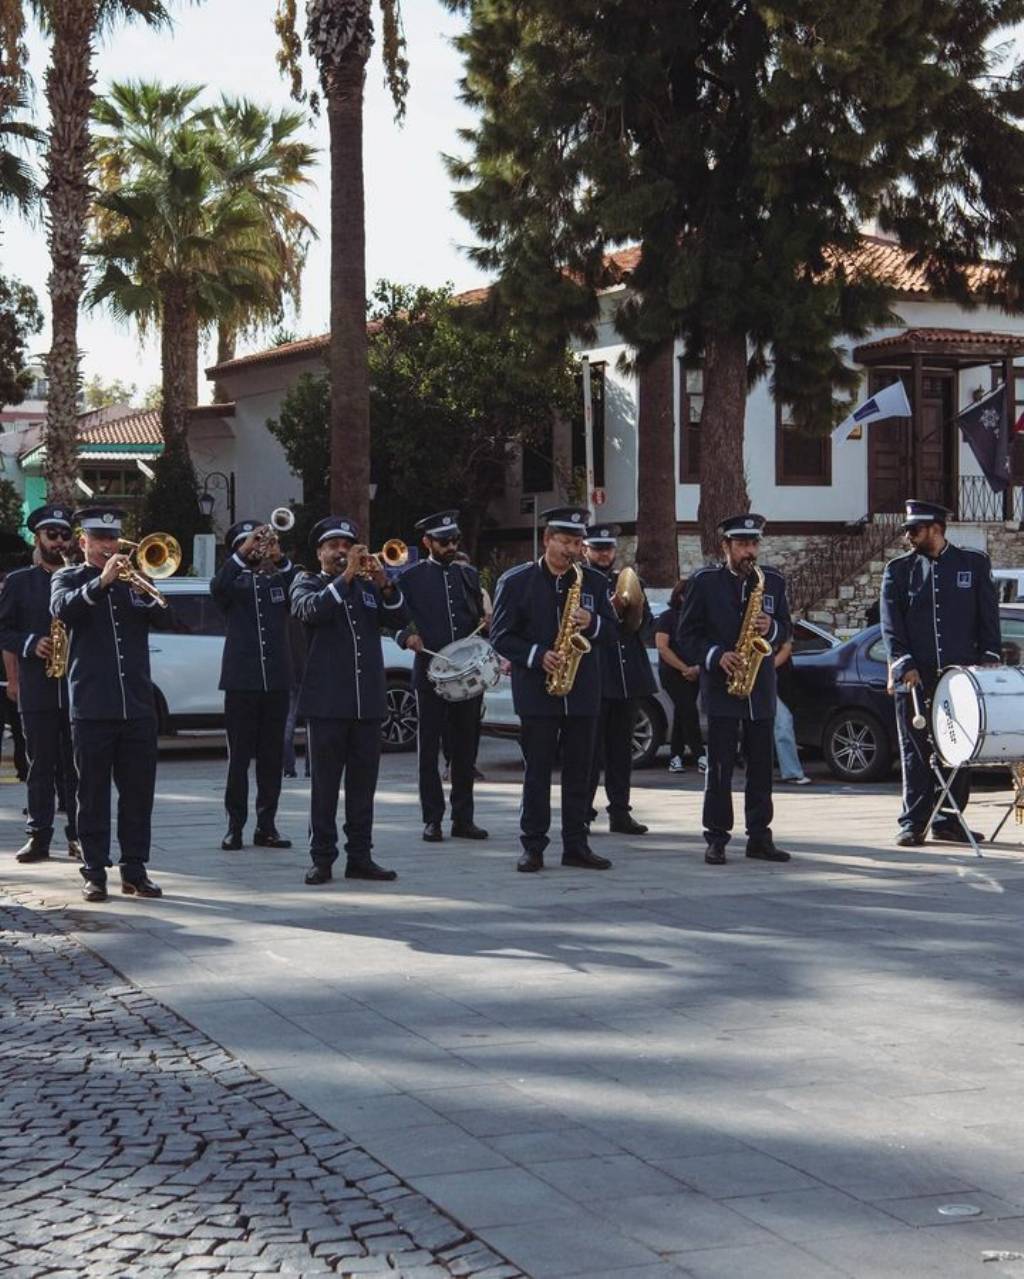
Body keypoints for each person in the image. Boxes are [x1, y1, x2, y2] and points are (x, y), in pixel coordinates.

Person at [490, 505, 619, 873]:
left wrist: (592, 622)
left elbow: (613, 633)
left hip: (582, 691)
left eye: (577, 542)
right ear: (547, 539)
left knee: (581, 772)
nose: (571, 549)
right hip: (537, 690)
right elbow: (500, 635)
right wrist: (536, 655)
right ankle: (533, 845)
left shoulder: (593, 582)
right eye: (564, 541)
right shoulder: (516, 581)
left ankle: (576, 845)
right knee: (537, 772)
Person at [50, 506, 169, 902]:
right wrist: (102, 581)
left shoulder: (133, 583)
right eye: (100, 539)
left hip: (137, 705)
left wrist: (146, 593)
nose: (109, 546)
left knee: (138, 793)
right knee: (92, 793)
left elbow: (168, 622)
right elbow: (63, 610)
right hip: (92, 706)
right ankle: (95, 871)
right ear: (83, 542)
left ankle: (135, 869)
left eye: (113, 539)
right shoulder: (68, 577)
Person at [290, 516, 409, 886]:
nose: (342, 551)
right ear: (320, 552)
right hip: (326, 704)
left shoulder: (368, 589)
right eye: (334, 546)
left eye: (347, 545)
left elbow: (401, 619)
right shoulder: (307, 582)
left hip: (368, 704)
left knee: (363, 786)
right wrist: (346, 577)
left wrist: (384, 583)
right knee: (324, 787)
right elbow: (310, 611)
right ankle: (322, 858)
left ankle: (361, 856)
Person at [880, 498, 1001, 847]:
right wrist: (902, 664)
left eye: (914, 530)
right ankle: (914, 821)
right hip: (914, 677)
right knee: (914, 750)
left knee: (959, 747)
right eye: (907, 530)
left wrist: (988, 658)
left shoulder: (972, 563)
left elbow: (987, 617)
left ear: (935, 529)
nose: (908, 537)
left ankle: (949, 820)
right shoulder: (899, 570)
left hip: (959, 677)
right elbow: (891, 625)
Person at [678, 513, 792, 865]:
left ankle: (759, 837)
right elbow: (686, 635)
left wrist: (771, 627)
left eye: (753, 543)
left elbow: (786, 628)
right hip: (722, 684)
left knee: (761, 766)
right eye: (742, 544)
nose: (749, 551)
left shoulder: (771, 580)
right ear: (725, 546)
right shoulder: (705, 581)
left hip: (759, 686)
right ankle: (716, 837)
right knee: (720, 766)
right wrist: (715, 656)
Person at [395, 510, 489, 843]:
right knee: (428, 749)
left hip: (466, 674)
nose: (451, 546)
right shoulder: (410, 577)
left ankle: (464, 818)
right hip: (430, 671)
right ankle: (432, 819)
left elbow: (477, 614)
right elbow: (392, 616)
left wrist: (486, 623)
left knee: (465, 748)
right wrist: (406, 636)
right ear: (428, 542)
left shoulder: (468, 575)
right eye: (444, 541)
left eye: (455, 541)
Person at [210, 519, 300, 851]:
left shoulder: (278, 579)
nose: (257, 549)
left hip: (276, 680)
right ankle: (235, 825)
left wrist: (280, 558)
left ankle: (267, 825)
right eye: (250, 545)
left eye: (259, 544)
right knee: (239, 759)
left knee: (271, 758)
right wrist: (242, 554)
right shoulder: (232, 584)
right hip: (241, 682)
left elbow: (301, 590)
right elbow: (217, 588)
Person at [0, 505, 81, 862]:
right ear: (38, 538)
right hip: (38, 686)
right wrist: (32, 643)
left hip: (78, 686)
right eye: (52, 535)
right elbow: (3, 629)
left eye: (64, 535)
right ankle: (39, 836)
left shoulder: (81, 578)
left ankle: (80, 836)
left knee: (79, 766)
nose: (59, 541)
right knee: (39, 764)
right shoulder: (19, 582)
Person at [583, 523, 655, 834]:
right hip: (597, 677)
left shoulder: (625, 581)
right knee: (589, 752)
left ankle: (620, 812)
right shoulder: (580, 583)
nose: (604, 554)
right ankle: (582, 811)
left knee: (620, 752)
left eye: (608, 549)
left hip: (627, 679)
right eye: (598, 549)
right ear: (586, 550)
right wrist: (608, 612)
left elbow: (646, 625)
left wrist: (632, 609)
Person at [655, 579, 705, 774]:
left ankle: (676, 756)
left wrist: (697, 668)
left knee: (681, 712)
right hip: (673, 673)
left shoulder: (698, 619)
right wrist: (684, 668)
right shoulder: (667, 618)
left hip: (694, 672)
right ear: (681, 596)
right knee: (689, 710)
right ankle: (700, 754)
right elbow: (662, 646)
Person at [773, 640, 810, 784]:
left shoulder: (781, 619)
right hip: (762, 676)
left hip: (775, 678)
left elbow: (786, 647)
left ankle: (791, 772)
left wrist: (764, 668)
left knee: (782, 724)